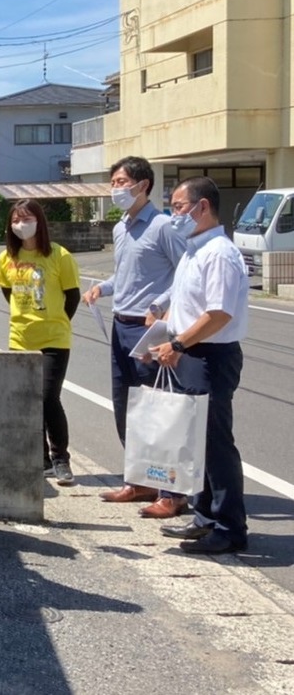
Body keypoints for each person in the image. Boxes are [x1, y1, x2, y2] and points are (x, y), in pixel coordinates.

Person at [82, 157, 188, 517]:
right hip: (120, 324)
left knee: (159, 409)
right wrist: (102, 289)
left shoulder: (164, 226)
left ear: (143, 185)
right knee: (127, 406)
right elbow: (126, 276)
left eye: (122, 181)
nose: (116, 188)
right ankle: (139, 480)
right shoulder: (121, 227)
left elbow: (185, 275)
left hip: (150, 330)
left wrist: (160, 305)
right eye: (113, 181)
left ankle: (172, 492)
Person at [150, 176, 249, 554]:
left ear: (202, 206)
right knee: (197, 444)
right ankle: (205, 518)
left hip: (210, 356)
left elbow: (218, 314)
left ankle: (229, 527)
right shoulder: (195, 248)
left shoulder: (219, 253)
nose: (174, 214)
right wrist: (164, 334)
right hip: (191, 352)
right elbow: (187, 303)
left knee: (216, 444)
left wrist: (178, 343)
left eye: (178, 207)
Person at [0, 200, 80, 487]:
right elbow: (9, 292)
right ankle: (39, 458)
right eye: (16, 220)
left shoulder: (59, 255)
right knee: (27, 400)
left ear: (39, 221)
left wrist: (56, 320)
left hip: (54, 337)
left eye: (27, 218)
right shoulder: (7, 258)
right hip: (20, 337)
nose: (21, 224)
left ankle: (60, 459)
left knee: (47, 397)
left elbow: (73, 296)